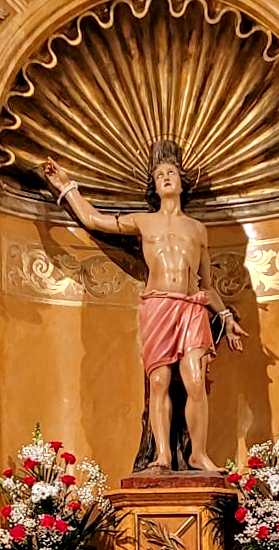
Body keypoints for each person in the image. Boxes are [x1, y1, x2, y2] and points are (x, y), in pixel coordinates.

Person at [42, 140, 245, 472]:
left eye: (172, 173)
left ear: (182, 182)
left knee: (196, 382)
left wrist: (225, 317)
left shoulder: (198, 229)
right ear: (154, 186)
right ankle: (163, 455)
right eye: (160, 174)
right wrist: (67, 187)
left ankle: (198, 454)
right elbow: (94, 220)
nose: (166, 177)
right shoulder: (143, 221)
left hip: (191, 307)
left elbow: (206, 285)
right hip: (159, 305)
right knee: (160, 382)